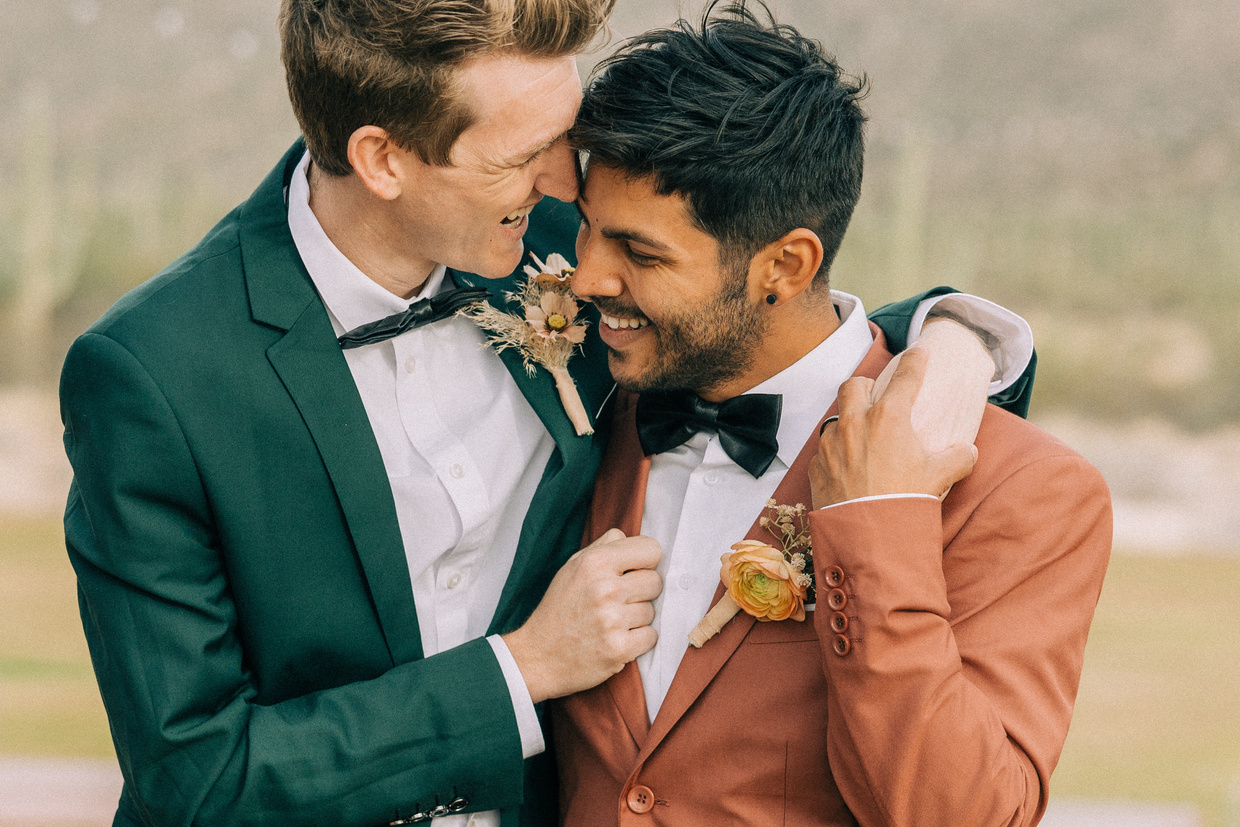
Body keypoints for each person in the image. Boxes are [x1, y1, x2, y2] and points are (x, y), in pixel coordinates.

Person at [58, 0, 1033, 824]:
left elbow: (757, 312)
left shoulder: (565, 242)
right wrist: (520, 671)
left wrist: (958, 337)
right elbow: (194, 778)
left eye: (565, 136)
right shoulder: (153, 374)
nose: (568, 180)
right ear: (383, 158)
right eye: (524, 154)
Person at [552, 3, 1112, 825]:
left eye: (640, 252)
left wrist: (880, 522)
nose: (587, 279)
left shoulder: (1029, 490)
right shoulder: (581, 402)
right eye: (588, 232)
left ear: (785, 264)